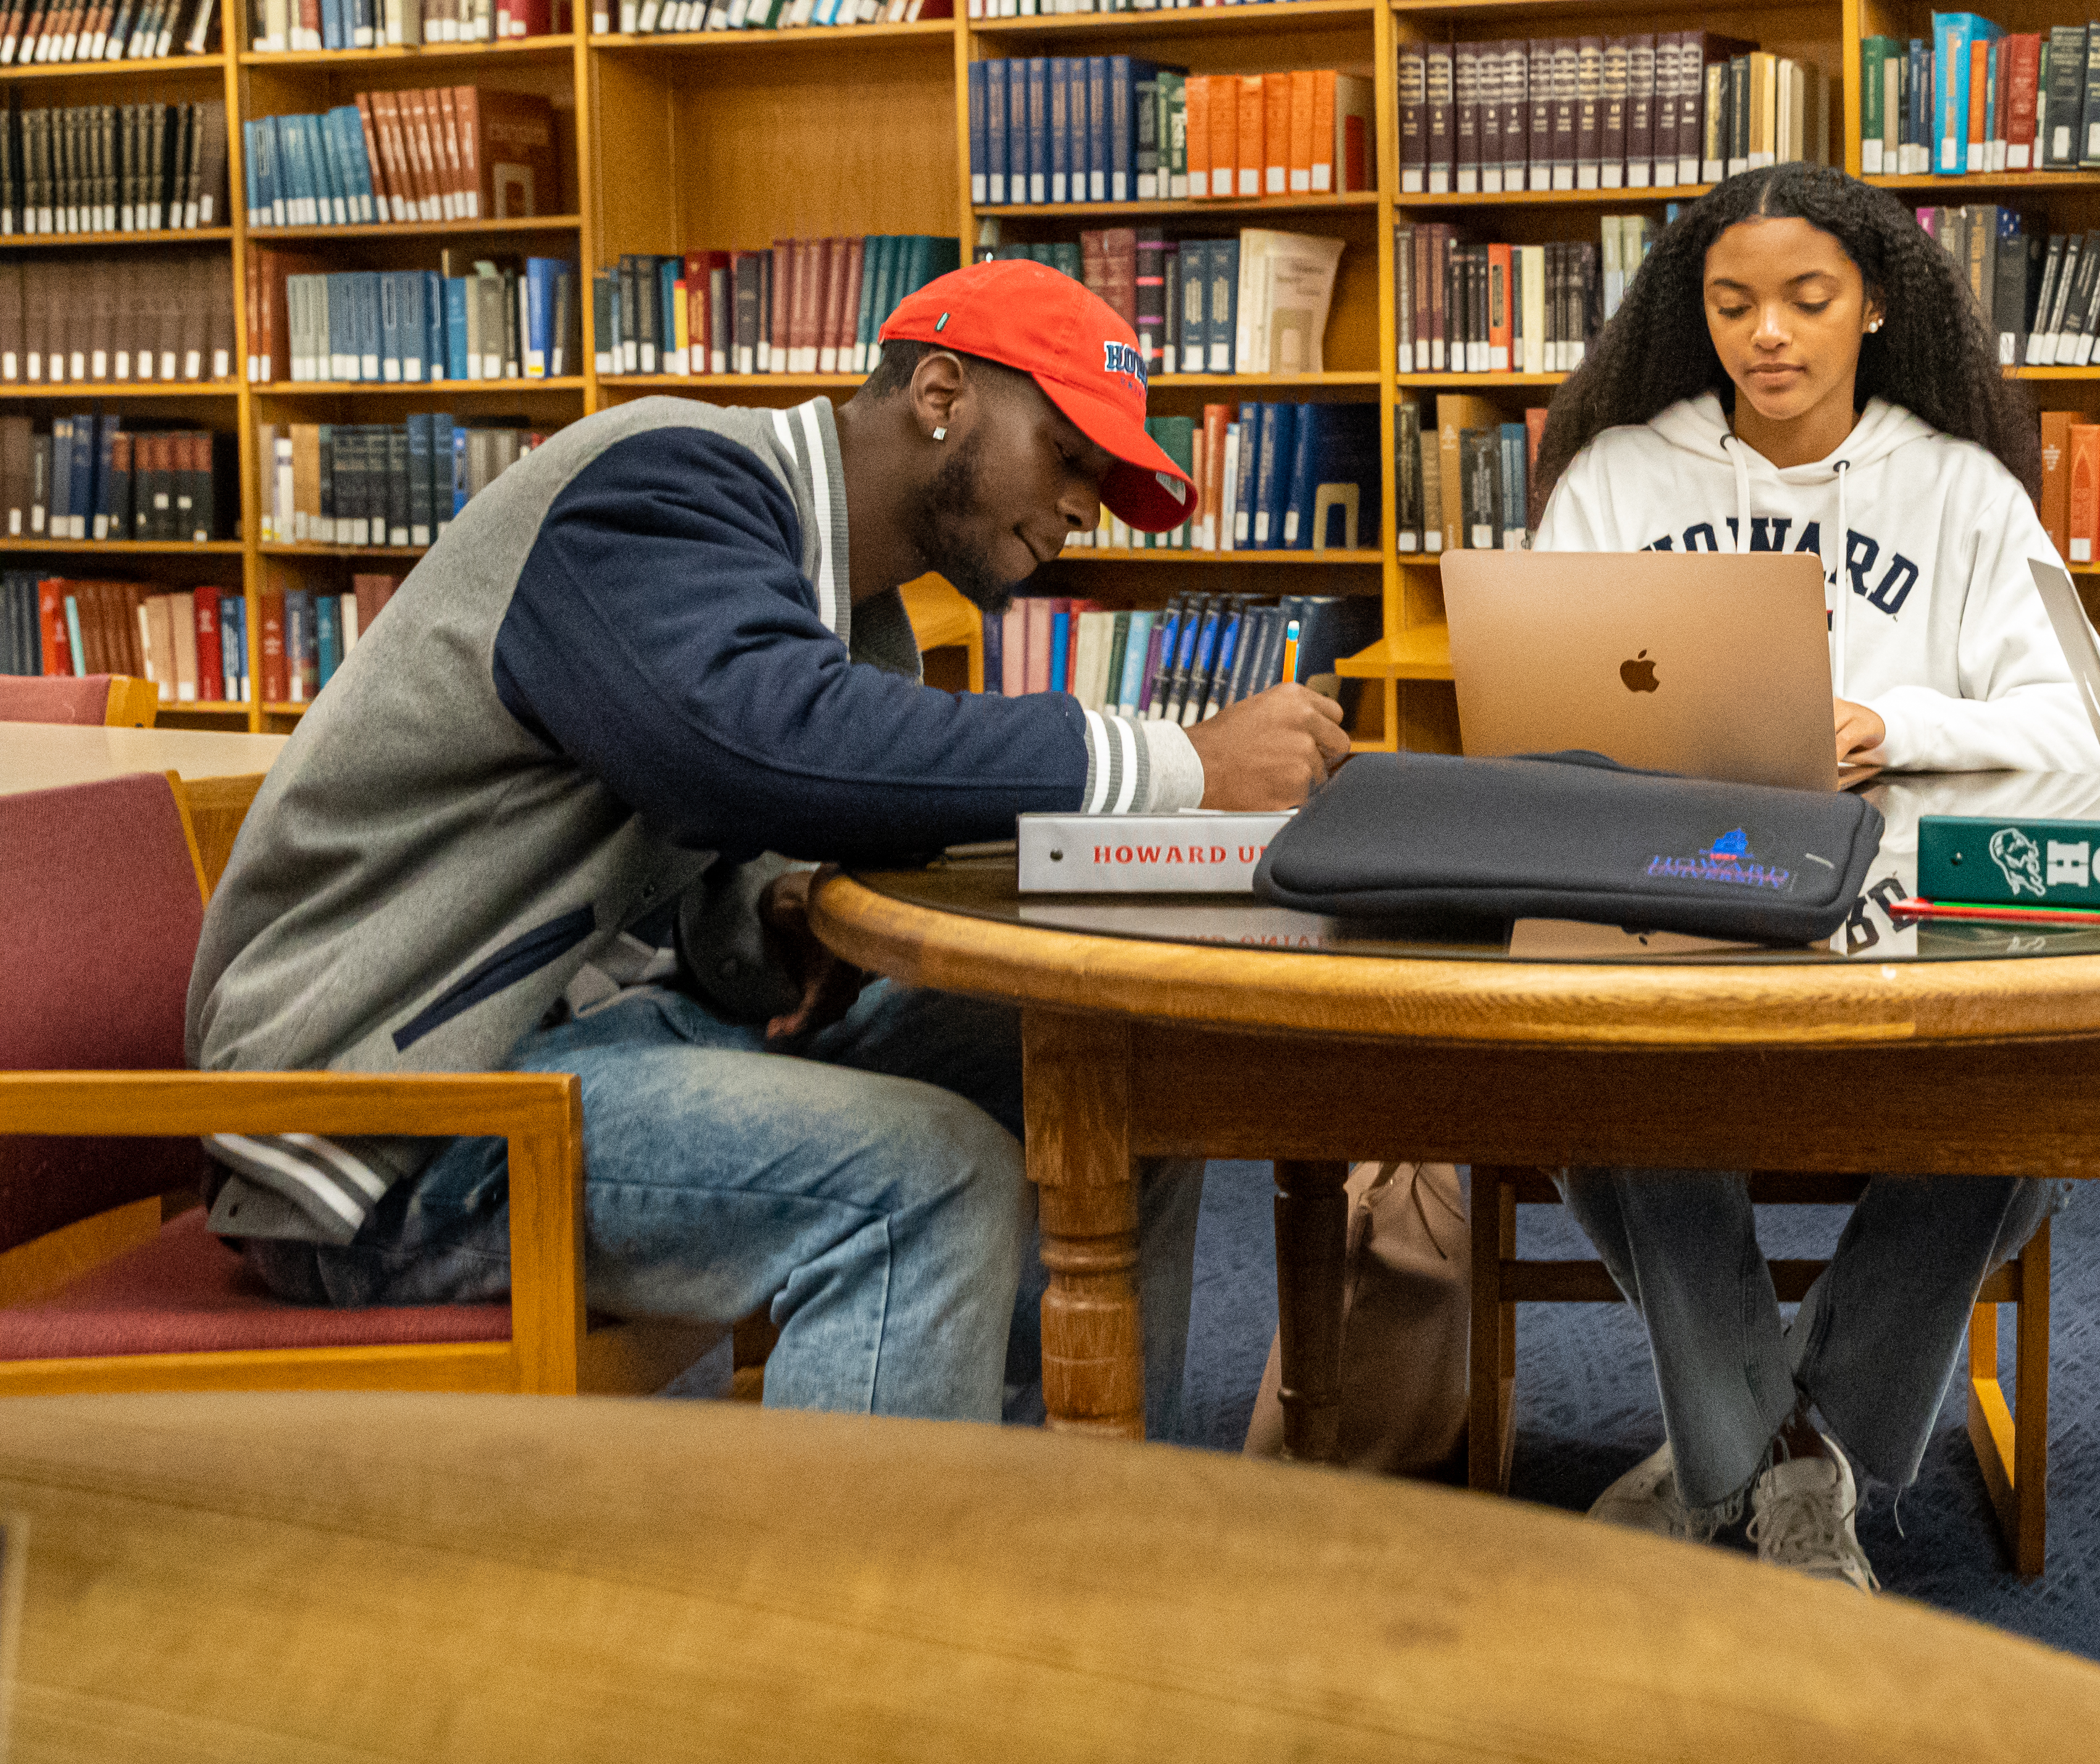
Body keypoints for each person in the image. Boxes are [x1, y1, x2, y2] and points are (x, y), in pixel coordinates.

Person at [188, 259, 1348, 1424]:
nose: (1084, 506)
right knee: (924, 1180)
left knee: (1119, 1065)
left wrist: (774, 911)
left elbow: (708, 824)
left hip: (602, 1045)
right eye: (1068, 455)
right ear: (941, 393)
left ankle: (1064, 1523)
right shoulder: (661, 483)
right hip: (387, 1116)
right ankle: (865, 1603)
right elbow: (749, 743)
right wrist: (1179, 765)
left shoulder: (849, 612)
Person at [1528, 160, 2090, 1587]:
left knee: (2022, 1116)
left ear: (1876, 305)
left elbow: (2080, 731)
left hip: (1910, 912)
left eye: (1805, 298)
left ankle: (1757, 1439)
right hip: (1674, 899)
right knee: (1599, 1089)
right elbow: (1537, 715)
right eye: (1731, 303)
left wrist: (1891, 721)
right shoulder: (1618, 475)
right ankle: (1792, 1462)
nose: (1766, 331)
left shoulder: (1962, 491)